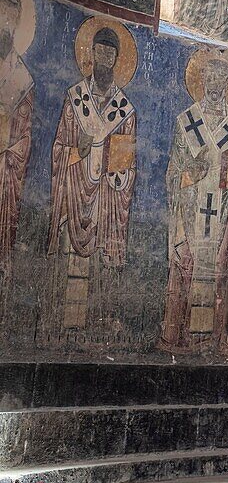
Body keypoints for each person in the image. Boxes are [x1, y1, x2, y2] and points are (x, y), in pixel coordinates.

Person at [160, 56, 228, 353]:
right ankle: (180, 337)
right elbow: (173, 172)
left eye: (221, 79)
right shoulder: (186, 123)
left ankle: (218, 339)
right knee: (186, 268)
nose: (215, 85)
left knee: (221, 273)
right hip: (189, 213)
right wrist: (190, 173)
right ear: (202, 81)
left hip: (222, 215)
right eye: (211, 78)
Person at [48, 24, 137, 335]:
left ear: (116, 60)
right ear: (91, 54)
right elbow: (58, 149)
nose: (104, 58)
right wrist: (77, 151)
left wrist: (116, 178)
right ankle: (64, 329)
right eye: (99, 51)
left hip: (106, 201)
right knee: (71, 261)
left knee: (103, 258)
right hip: (75, 193)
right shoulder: (75, 101)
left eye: (110, 53)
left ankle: (99, 329)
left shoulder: (125, 111)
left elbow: (125, 164)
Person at [0, 0, 32, 281]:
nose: (3, 24)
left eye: (10, 19)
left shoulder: (23, 79)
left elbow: (24, 139)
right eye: (1, 15)